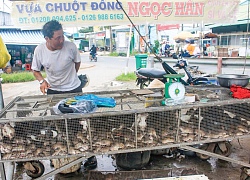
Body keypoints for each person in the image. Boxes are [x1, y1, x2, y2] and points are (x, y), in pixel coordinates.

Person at [31, 20, 97, 170]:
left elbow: (77, 63)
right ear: (47, 39)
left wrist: (71, 77)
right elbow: (35, 70)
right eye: (57, 38)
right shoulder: (39, 50)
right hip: (54, 91)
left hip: (74, 89)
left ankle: (89, 155)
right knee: (59, 125)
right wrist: (42, 81)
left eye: (62, 36)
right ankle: (62, 155)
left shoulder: (70, 46)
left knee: (81, 123)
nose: (62, 40)